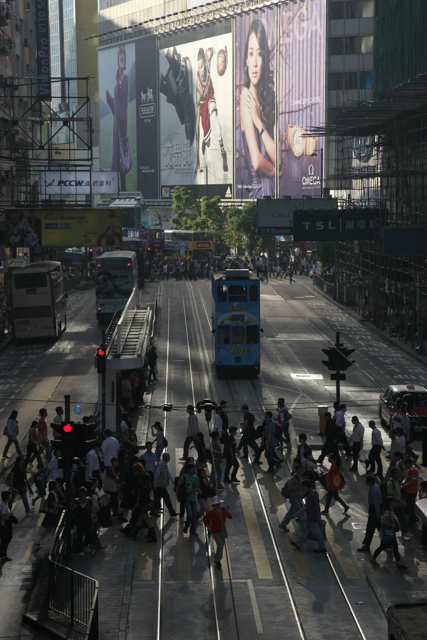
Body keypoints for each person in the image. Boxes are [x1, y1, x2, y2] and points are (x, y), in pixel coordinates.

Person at [239, 19, 279, 198]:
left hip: (272, 194)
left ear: (264, 58)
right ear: (246, 60)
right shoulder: (245, 96)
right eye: (251, 53)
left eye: (259, 54)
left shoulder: (270, 100)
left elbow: (278, 156)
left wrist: (257, 121)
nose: (255, 62)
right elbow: (256, 162)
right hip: (257, 197)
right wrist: (277, 171)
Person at [194, 46, 228, 176]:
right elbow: (196, 125)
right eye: (199, 67)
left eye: (202, 66)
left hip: (210, 97)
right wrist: (197, 159)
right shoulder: (198, 85)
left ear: (205, 63)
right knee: (207, 142)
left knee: (214, 117)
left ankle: (223, 151)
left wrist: (224, 54)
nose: (201, 70)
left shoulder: (207, 58)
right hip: (202, 107)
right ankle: (205, 139)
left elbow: (213, 50)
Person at [106, 44, 131, 192]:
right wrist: (110, 100)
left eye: (124, 54)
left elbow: (123, 108)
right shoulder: (117, 81)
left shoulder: (125, 80)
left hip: (122, 127)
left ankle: (124, 191)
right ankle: (119, 191)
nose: (122, 56)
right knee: (118, 159)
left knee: (122, 160)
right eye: (120, 54)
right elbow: (116, 109)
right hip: (117, 127)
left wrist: (112, 101)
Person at [370, 497, 407, 569]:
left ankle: (398, 562)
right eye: (393, 502)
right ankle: (373, 558)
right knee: (385, 546)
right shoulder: (387, 512)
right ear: (390, 503)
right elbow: (384, 522)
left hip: (390, 533)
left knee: (391, 546)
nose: (394, 503)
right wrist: (392, 525)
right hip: (386, 533)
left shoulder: (390, 511)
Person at [290, 480, 326, 553]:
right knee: (305, 531)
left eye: (302, 487)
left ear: (305, 487)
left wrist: (296, 514)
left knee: (317, 532)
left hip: (312, 517)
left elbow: (305, 508)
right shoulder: (314, 492)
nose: (302, 488)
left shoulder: (310, 496)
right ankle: (298, 544)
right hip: (312, 516)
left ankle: (322, 547)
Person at [203, 497, 233, 569]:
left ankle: (218, 560)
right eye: (218, 503)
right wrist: (208, 527)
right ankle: (217, 560)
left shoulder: (223, 509)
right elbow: (205, 519)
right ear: (214, 505)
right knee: (219, 545)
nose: (219, 504)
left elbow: (230, 517)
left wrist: (228, 512)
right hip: (215, 532)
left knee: (221, 546)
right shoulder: (211, 513)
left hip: (223, 531)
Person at [33, 480, 64, 549]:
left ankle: (38, 541)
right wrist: (58, 506)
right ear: (53, 487)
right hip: (52, 514)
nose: (57, 486)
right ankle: (61, 541)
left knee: (49, 528)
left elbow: (63, 497)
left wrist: (59, 491)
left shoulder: (55, 493)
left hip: (53, 514)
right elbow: (50, 505)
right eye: (56, 485)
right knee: (58, 527)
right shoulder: (51, 494)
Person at [358, 475, 382, 553]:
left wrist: (378, 515)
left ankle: (366, 545)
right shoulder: (375, 488)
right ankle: (387, 543)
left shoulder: (374, 491)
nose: (365, 482)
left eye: (366, 481)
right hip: (374, 511)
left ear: (369, 482)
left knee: (370, 529)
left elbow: (376, 504)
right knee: (379, 528)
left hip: (374, 512)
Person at [279, 465, 306, 532]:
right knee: (300, 513)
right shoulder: (293, 478)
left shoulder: (301, 477)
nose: (302, 470)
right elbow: (290, 488)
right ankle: (305, 528)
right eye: (301, 469)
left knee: (291, 513)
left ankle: (283, 524)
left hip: (298, 498)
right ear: (297, 470)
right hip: (294, 498)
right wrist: (298, 485)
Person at [387, 467, 411, 540]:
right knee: (391, 521)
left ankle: (405, 532)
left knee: (403, 519)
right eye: (397, 473)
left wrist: (402, 500)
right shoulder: (390, 483)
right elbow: (391, 495)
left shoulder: (397, 481)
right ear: (393, 474)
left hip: (399, 505)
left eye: (399, 473)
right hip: (393, 506)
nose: (399, 475)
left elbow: (398, 493)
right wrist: (401, 502)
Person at [153, 453, 178, 518]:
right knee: (167, 499)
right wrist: (155, 485)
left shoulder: (164, 464)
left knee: (157, 499)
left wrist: (173, 481)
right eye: (168, 457)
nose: (169, 458)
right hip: (160, 486)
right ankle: (172, 512)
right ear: (165, 457)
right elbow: (156, 475)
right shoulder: (160, 465)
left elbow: (167, 472)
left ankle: (153, 510)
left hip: (161, 485)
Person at [72, 487, 96, 555]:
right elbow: (71, 509)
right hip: (79, 521)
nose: (82, 496)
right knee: (80, 535)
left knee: (89, 533)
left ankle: (86, 545)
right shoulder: (76, 501)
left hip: (88, 520)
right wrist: (74, 507)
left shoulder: (89, 500)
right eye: (81, 494)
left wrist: (95, 516)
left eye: (83, 494)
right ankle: (81, 550)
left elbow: (92, 508)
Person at [177, 463, 199, 535]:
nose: (193, 471)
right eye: (192, 469)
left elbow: (197, 488)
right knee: (190, 515)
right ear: (188, 470)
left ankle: (193, 529)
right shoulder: (184, 478)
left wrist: (192, 491)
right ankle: (186, 526)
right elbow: (178, 487)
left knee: (194, 515)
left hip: (193, 499)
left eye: (194, 469)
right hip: (187, 499)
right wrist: (178, 496)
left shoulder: (196, 478)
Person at [401, 457, 419, 527]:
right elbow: (406, 478)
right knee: (408, 506)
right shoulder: (408, 470)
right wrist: (403, 483)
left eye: (406, 465)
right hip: (407, 490)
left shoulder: (415, 470)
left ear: (410, 464)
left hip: (412, 491)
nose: (405, 467)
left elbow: (413, 481)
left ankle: (412, 519)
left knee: (411, 507)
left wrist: (405, 485)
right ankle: (412, 518)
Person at [0, 490, 14, 562]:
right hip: (5, 526)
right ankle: (3, 555)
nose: (11, 497)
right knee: (6, 539)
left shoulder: (2, 504)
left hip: (3, 526)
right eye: (10, 496)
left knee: (3, 540)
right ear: (7, 497)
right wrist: (10, 518)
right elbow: (3, 517)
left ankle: (3, 554)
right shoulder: (4, 506)